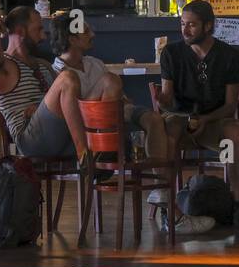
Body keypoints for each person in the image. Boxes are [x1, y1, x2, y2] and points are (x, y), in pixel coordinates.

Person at [154, 0, 239, 231]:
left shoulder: (229, 56)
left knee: (234, 133)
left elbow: (230, 105)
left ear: (208, 26)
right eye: (182, 24)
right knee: (168, 130)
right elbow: (168, 98)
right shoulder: (171, 53)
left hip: (215, 121)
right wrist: (162, 100)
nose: (185, 30)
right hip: (181, 121)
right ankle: (169, 209)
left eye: (191, 25)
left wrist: (205, 120)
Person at [0, 5, 95, 192]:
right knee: (67, 78)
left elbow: (65, 103)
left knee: (109, 83)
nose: (43, 36)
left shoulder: (42, 65)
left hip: (57, 135)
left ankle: (100, 152)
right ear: (20, 31)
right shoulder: (4, 68)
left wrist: (41, 107)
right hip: (30, 141)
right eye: (38, 29)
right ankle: (85, 157)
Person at [48, 11, 169, 157]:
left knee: (155, 120)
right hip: (87, 123)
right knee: (109, 80)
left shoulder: (95, 63)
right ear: (72, 40)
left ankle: (160, 177)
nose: (93, 35)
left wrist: (123, 98)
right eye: (86, 32)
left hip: (119, 110)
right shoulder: (56, 73)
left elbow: (120, 96)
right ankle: (102, 151)